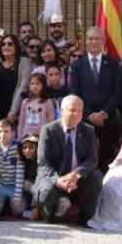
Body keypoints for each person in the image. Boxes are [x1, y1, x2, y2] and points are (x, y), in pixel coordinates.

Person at [34, 95, 102, 225]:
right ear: (61, 111)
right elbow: (43, 162)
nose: (77, 114)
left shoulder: (88, 130)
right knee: (46, 189)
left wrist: (76, 174)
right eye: (72, 110)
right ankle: (50, 216)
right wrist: (58, 180)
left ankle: (85, 219)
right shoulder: (48, 130)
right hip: (55, 176)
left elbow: (92, 160)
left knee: (96, 177)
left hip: (76, 178)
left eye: (80, 111)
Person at [68, 27, 121, 167]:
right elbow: (75, 93)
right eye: (90, 39)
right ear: (86, 41)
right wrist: (89, 114)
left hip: (108, 121)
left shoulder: (113, 64)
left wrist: (104, 113)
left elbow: (117, 92)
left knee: (107, 160)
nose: (93, 42)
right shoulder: (77, 65)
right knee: (86, 159)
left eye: (97, 38)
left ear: (103, 41)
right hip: (85, 120)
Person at [0, 34, 31, 127]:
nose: (6, 46)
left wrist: (13, 112)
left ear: (16, 46)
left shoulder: (24, 62)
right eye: (3, 44)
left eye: (10, 44)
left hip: (16, 113)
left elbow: (23, 87)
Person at [0, 118, 24, 218]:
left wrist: (17, 196)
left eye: (6, 132)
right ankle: (3, 204)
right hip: (0, 185)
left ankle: (10, 204)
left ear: (13, 133)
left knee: (18, 212)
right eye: (0, 131)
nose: (3, 134)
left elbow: (20, 173)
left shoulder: (17, 147)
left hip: (13, 185)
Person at [14, 73, 56, 141]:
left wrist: (49, 137)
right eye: (32, 83)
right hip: (26, 136)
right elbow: (21, 121)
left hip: (41, 136)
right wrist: (20, 137)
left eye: (37, 84)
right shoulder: (25, 102)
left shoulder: (48, 102)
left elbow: (51, 122)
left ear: (43, 85)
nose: (34, 86)